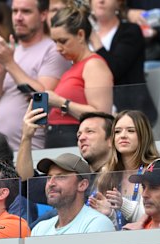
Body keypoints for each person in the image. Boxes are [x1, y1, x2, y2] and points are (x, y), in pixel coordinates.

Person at [0, 0, 71, 150]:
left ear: (43, 15)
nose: (18, 17)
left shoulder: (53, 50)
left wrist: (9, 63)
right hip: (2, 154)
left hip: (34, 151)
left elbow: (44, 98)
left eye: (26, 11)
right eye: (14, 11)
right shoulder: (12, 52)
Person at [45, 4, 114, 148]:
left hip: (75, 140)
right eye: (55, 41)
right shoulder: (73, 67)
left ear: (81, 35)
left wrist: (60, 102)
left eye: (63, 41)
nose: (58, 48)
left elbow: (102, 115)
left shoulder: (93, 64)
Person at [89, 0, 157, 124]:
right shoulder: (82, 35)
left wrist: (95, 40)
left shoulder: (131, 31)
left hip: (128, 111)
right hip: (90, 106)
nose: (101, 1)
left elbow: (114, 69)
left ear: (119, 3)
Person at [93, 110, 160, 228]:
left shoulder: (156, 168)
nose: (123, 135)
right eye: (117, 131)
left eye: (130, 131)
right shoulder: (107, 173)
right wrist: (110, 215)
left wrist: (123, 204)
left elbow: (157, 217)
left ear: (143, 135)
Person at [31, 153, 114, 236]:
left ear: (82, 185)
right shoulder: (39, 229)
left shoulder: (97, 223)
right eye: (49, 177)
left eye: (61, 177)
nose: (51, 183)